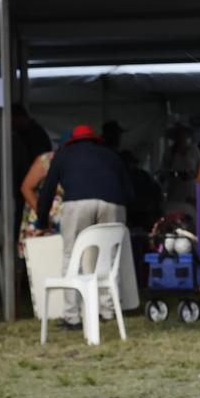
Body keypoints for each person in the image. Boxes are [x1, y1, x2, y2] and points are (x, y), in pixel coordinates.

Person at [35, 124, 133, 328]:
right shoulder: (111, 155)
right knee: (110, 257)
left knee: (72, 256)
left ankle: (72, 316)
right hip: (112, 203)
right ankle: (108, 310)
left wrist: (42, 221)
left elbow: (48, 190)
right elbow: (129, 191)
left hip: (77, 204)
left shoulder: (64, 154)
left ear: (72, 141)